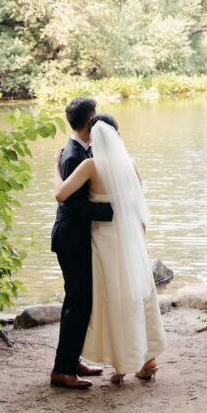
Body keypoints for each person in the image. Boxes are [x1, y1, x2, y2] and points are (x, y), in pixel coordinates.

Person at [54, 113, 167, 385]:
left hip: (104, 242)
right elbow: (139, 208)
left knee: (114, 300)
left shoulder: (91, 166)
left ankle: (123, 363)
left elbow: (60, 195)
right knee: (138, 295)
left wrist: (54, 167)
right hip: (131, 239)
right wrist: (142, 242)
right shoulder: (131, 164)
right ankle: (148, 359)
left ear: (93, 137)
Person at [50, 96, 114, 390]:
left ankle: (72, 360)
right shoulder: (75, 156)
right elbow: (75, 206)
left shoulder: (80, 150)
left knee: (80, 302)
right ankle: (62, 370)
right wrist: (113, 210)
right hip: (71, 240)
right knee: (78, 303)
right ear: (91, 121)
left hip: (76, 239)